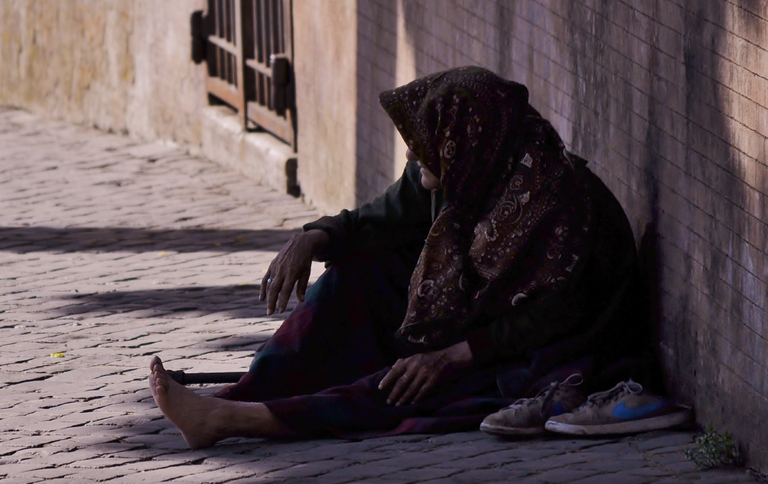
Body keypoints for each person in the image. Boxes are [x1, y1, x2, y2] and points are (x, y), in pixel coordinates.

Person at [148, 66, 648, 449]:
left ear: (465, 141)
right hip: (480, 311)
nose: (412, 156)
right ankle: (244, 394)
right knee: (357, 274)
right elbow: (382, 217)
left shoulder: (561, 206)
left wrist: (453, 354)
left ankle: (234, 420)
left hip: (547, 346)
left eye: (424, 145)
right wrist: (314, 237)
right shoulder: (468, 164)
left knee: (415, 383)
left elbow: (554, 317)